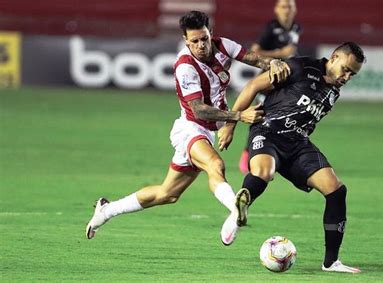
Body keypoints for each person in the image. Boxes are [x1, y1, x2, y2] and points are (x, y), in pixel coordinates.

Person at [85, 10, 291, 246]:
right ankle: (235, 211)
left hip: (207, 132)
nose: (201, 45)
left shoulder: (223, 46)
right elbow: (199, 110)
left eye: (204, 38)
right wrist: (237, 116)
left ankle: (106, 210)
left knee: (167, 194)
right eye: (194, 41)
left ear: (210, 33)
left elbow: (253, 58)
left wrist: (272, 62)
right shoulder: (185, 67)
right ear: (185, 40)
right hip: (190, 128)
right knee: (215, 165)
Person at [218, 42, 365, 273]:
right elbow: (254, 85)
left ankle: (331, 262)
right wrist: (230, 125)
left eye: (352, 74)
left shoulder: (334, 89)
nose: (347, 77)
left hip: (298, 144)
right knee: (263, 173)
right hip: (267, 131)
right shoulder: (300, 67)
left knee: (336, 191)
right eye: (345, 69)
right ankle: (237, 214)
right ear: (334, 57)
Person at [239, 0, 301, 174]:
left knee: (285, 117)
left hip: (286, 81)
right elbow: (255, 51)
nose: (286, 10)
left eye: (290, 6)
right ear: (276, 10)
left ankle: (279, 154)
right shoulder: (271, 28)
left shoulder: (296, 28)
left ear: (295, 9)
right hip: (268, 81)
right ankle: (247, 154)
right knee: (261, 116)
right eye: (283, 6)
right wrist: (280, 54)